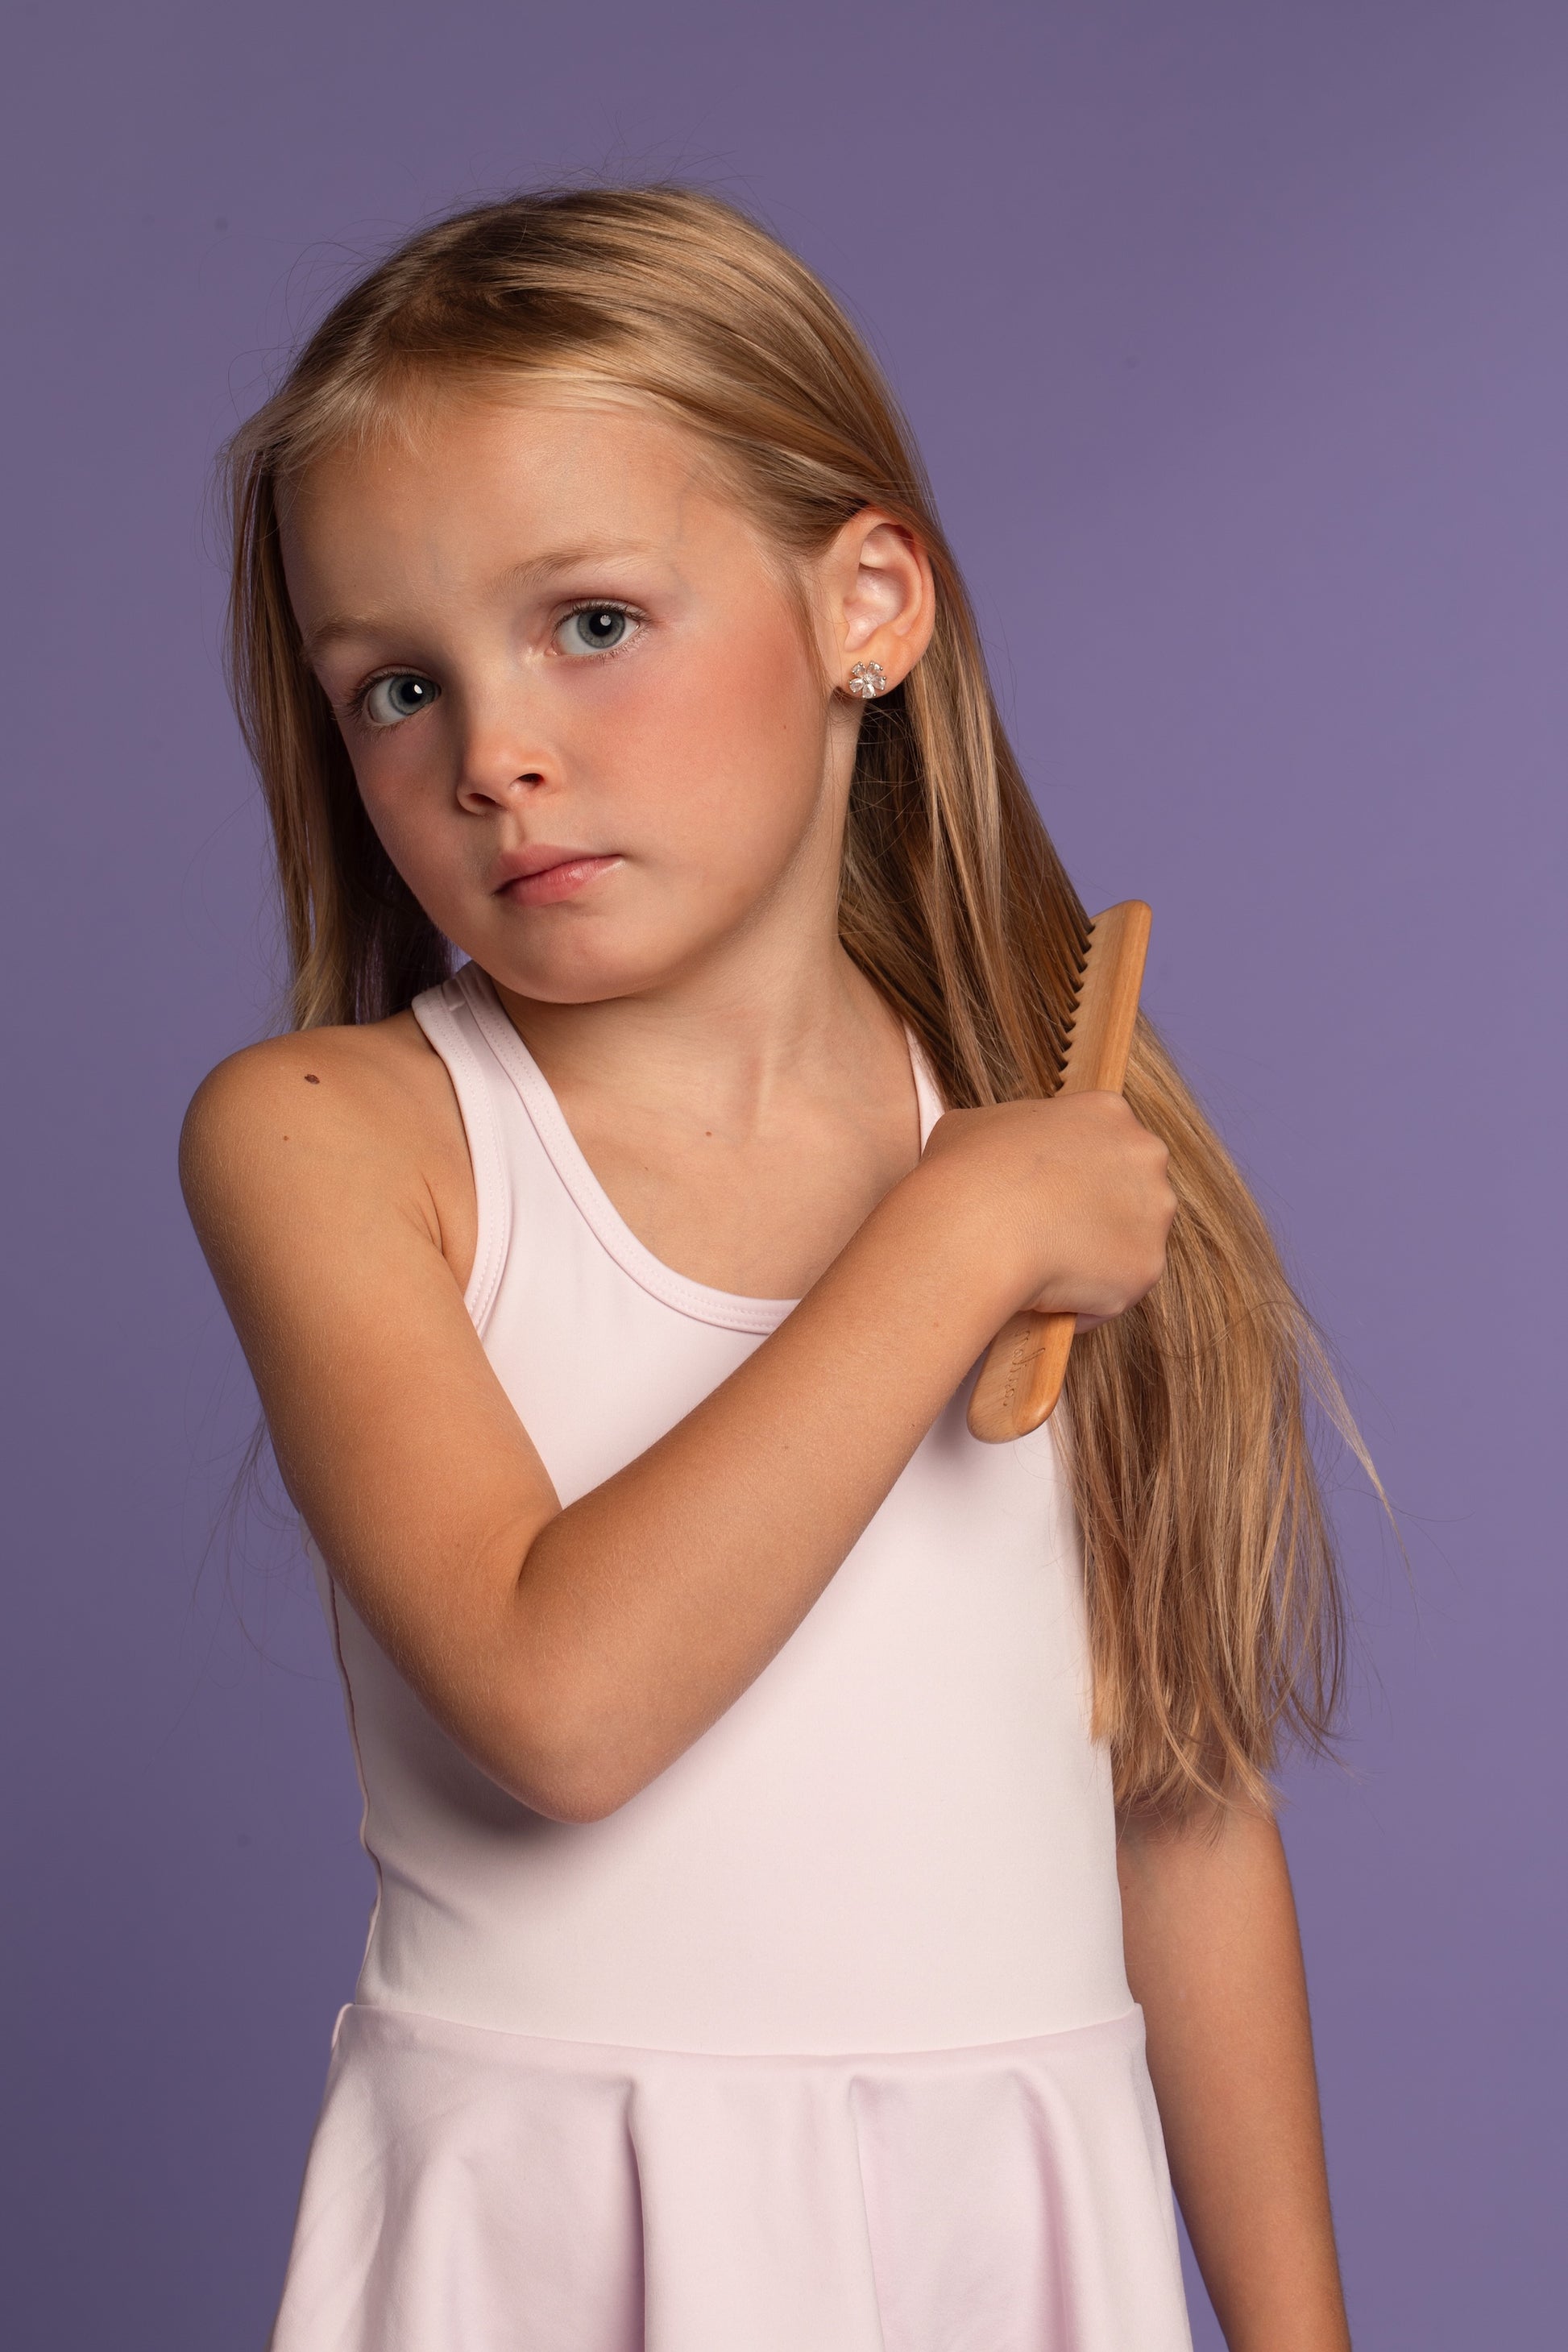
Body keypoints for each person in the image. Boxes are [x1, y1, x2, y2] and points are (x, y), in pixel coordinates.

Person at [180, 185, 1360, 2352]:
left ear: (867, 608)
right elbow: (559, 1708)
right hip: (546, 2254)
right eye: (397, 686)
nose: (492, 753)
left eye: (590, 621)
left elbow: (1178, 1805)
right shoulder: (338, 1140)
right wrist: (954, 1241)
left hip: (1010, 2246)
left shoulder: (1054, 1142)